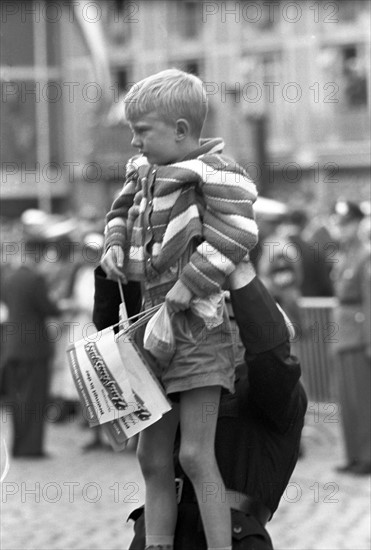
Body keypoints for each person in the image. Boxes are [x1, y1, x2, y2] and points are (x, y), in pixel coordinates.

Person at [101, 68, 259, 550]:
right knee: (152, 457)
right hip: (149, 330)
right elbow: (119, 214)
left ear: (181, 131)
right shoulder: (142, 174)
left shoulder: (217, 172)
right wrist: (112, 245)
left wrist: (189, 287)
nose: (134, 141)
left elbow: (236, 234)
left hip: (199, 331)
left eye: (142, 131)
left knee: (194, 454)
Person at [127, 262, 307, 549]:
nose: (213, 331)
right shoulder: (181, 373)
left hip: (232, 533)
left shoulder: (274, 392)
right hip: (158, 531)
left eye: (231, 321)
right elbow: (127, 339)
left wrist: (237, 267)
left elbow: (271, 355)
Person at [1, 239, 62, 458]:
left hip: (11, 347)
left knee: (17, 401)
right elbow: (50, 308)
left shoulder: (9, 278)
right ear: (37, 253)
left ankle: (18, 446)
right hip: (34, 348)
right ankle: (31, 448)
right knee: (34, 399)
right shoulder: (35, 279)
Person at [330, 200, 371, 475]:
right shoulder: (344, 254)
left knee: (362, 401)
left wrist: (370, 341)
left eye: (346, 223)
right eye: (340, 223)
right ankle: (353, 454)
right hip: (343, 334)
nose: (342, 228)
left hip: (358, 335)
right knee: (346, 402)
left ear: (358, 224)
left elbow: (369, 301)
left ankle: (367, 456)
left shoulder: (365, 256)